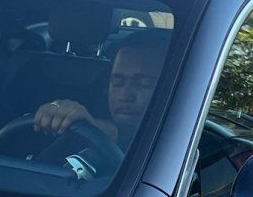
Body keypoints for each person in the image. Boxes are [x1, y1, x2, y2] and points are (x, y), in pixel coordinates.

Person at [31, 34, 168, 147]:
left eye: (144, 84)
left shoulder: (179, 145)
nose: (125, 96)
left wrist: (92, 125)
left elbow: (128, 134)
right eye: (117, 83)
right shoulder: (75, 135)